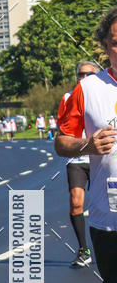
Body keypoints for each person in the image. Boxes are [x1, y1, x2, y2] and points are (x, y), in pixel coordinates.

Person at [55, 8, 117, 283]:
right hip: (109, 219)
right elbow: (62, 141)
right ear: (105, 46)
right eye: (116, 42)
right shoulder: (88, 89)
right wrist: (87, 144)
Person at [57, 61, 100, 267]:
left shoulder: (106, 95)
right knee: (76, 202)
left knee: (106, 206)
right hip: (77, 159)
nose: (84, 78)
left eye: (89, 75)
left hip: (101, 159)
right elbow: (63, 131)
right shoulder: (68, 97)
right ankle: (84, 249)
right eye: (80, 74)